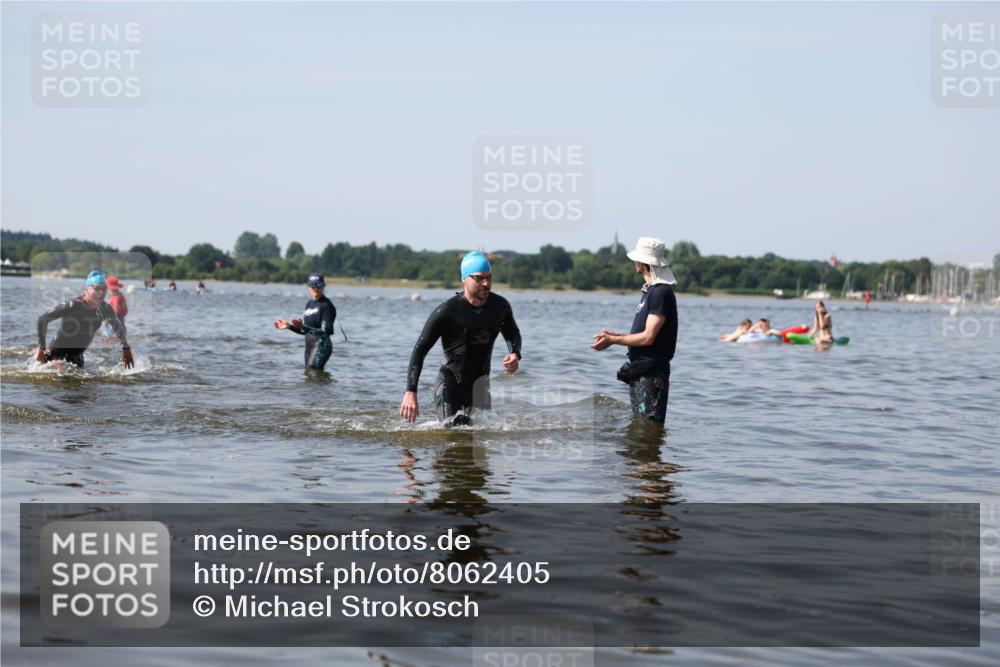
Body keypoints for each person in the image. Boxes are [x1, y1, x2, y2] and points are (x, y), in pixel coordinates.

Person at [400, 251, 522, 426]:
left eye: (489, 278)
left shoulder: (500, 307)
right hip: (450, 387)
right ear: (465, 279)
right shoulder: (447, 311)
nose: (486, 284)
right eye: (479, 279)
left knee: (479, 445)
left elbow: (512, 333)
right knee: (454, 435)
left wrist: (515, 353)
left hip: (480, 389)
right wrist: (410, 392)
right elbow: (420, 349)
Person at [591, 237, 678, 423]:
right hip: (640, 369)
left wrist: (613, 341)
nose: (634, 263)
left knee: (649, 424)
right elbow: (644, 333)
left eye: (636, 259)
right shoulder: (651, 291)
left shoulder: (661, 293)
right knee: (640, 427)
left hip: (652, 372)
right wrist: (616, 336)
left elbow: (648, 338)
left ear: (643, 262)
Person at [35, 270, 134, 369]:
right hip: (56, 352)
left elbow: (118, 327)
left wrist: (126, 348)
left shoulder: (106, 309)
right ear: (87, 289)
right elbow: (43, 319)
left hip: (76, 356)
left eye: (104, 289)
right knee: (61, 370)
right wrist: (41, 348)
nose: (102, 292)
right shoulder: (72, 305)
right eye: (97, 289)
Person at [274, 274, 336, 371]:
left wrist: (304, 327)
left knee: (313, 373)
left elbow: (325, 332)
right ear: (308, 287)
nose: (316, 288)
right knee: (309, 375)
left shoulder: (327, 306)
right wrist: (289, 326)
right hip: (309, 346)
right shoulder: (309, 304)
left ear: (324, 286)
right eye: (313, 285)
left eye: (319, 285)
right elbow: (305, 331)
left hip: (321, 347)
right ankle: (325, 385)